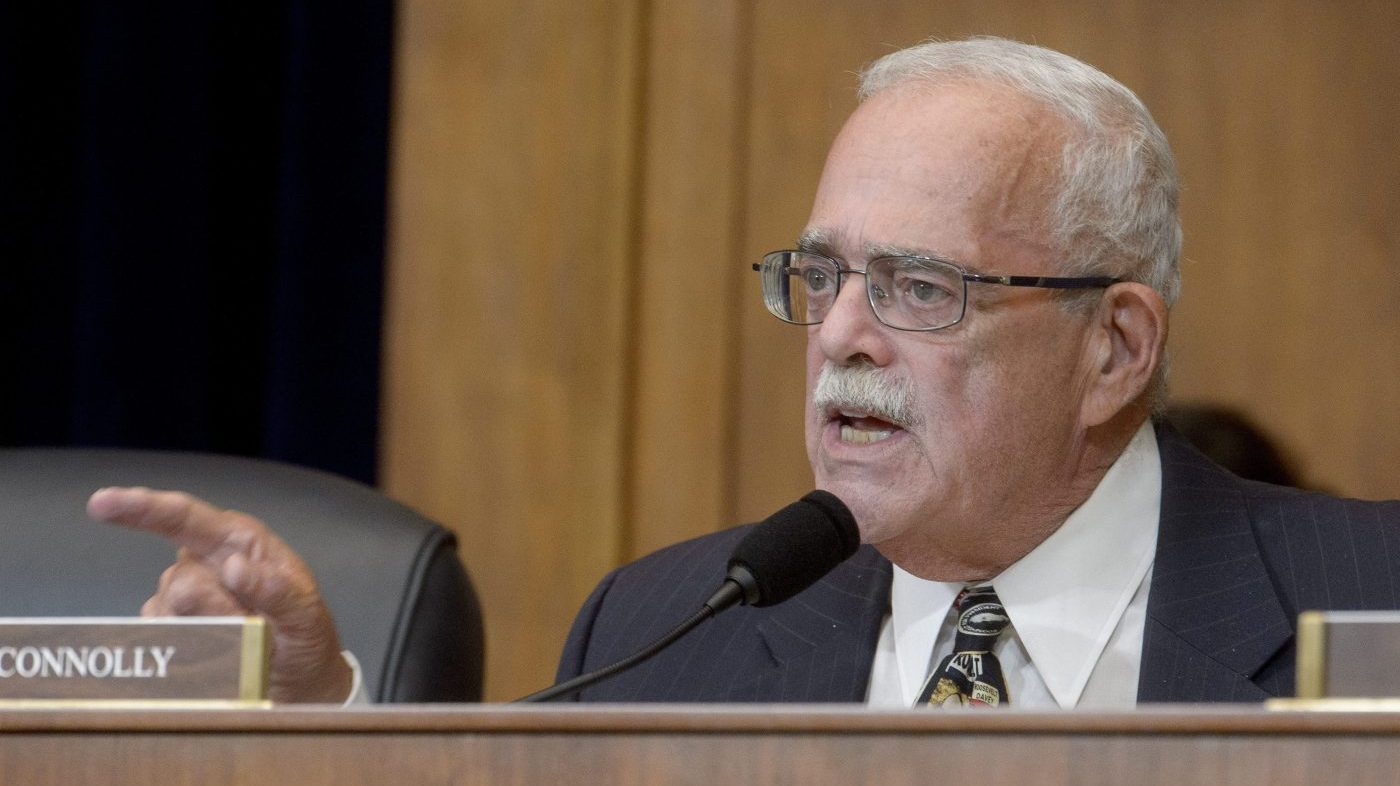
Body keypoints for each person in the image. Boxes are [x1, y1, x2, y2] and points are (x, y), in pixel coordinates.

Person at [89, 36, 1400, 707]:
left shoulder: (1369, 601)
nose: (840, 336)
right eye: (821, 276)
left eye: (919, 288)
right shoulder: (665, 630)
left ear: (1114, 349)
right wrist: (321, 726)